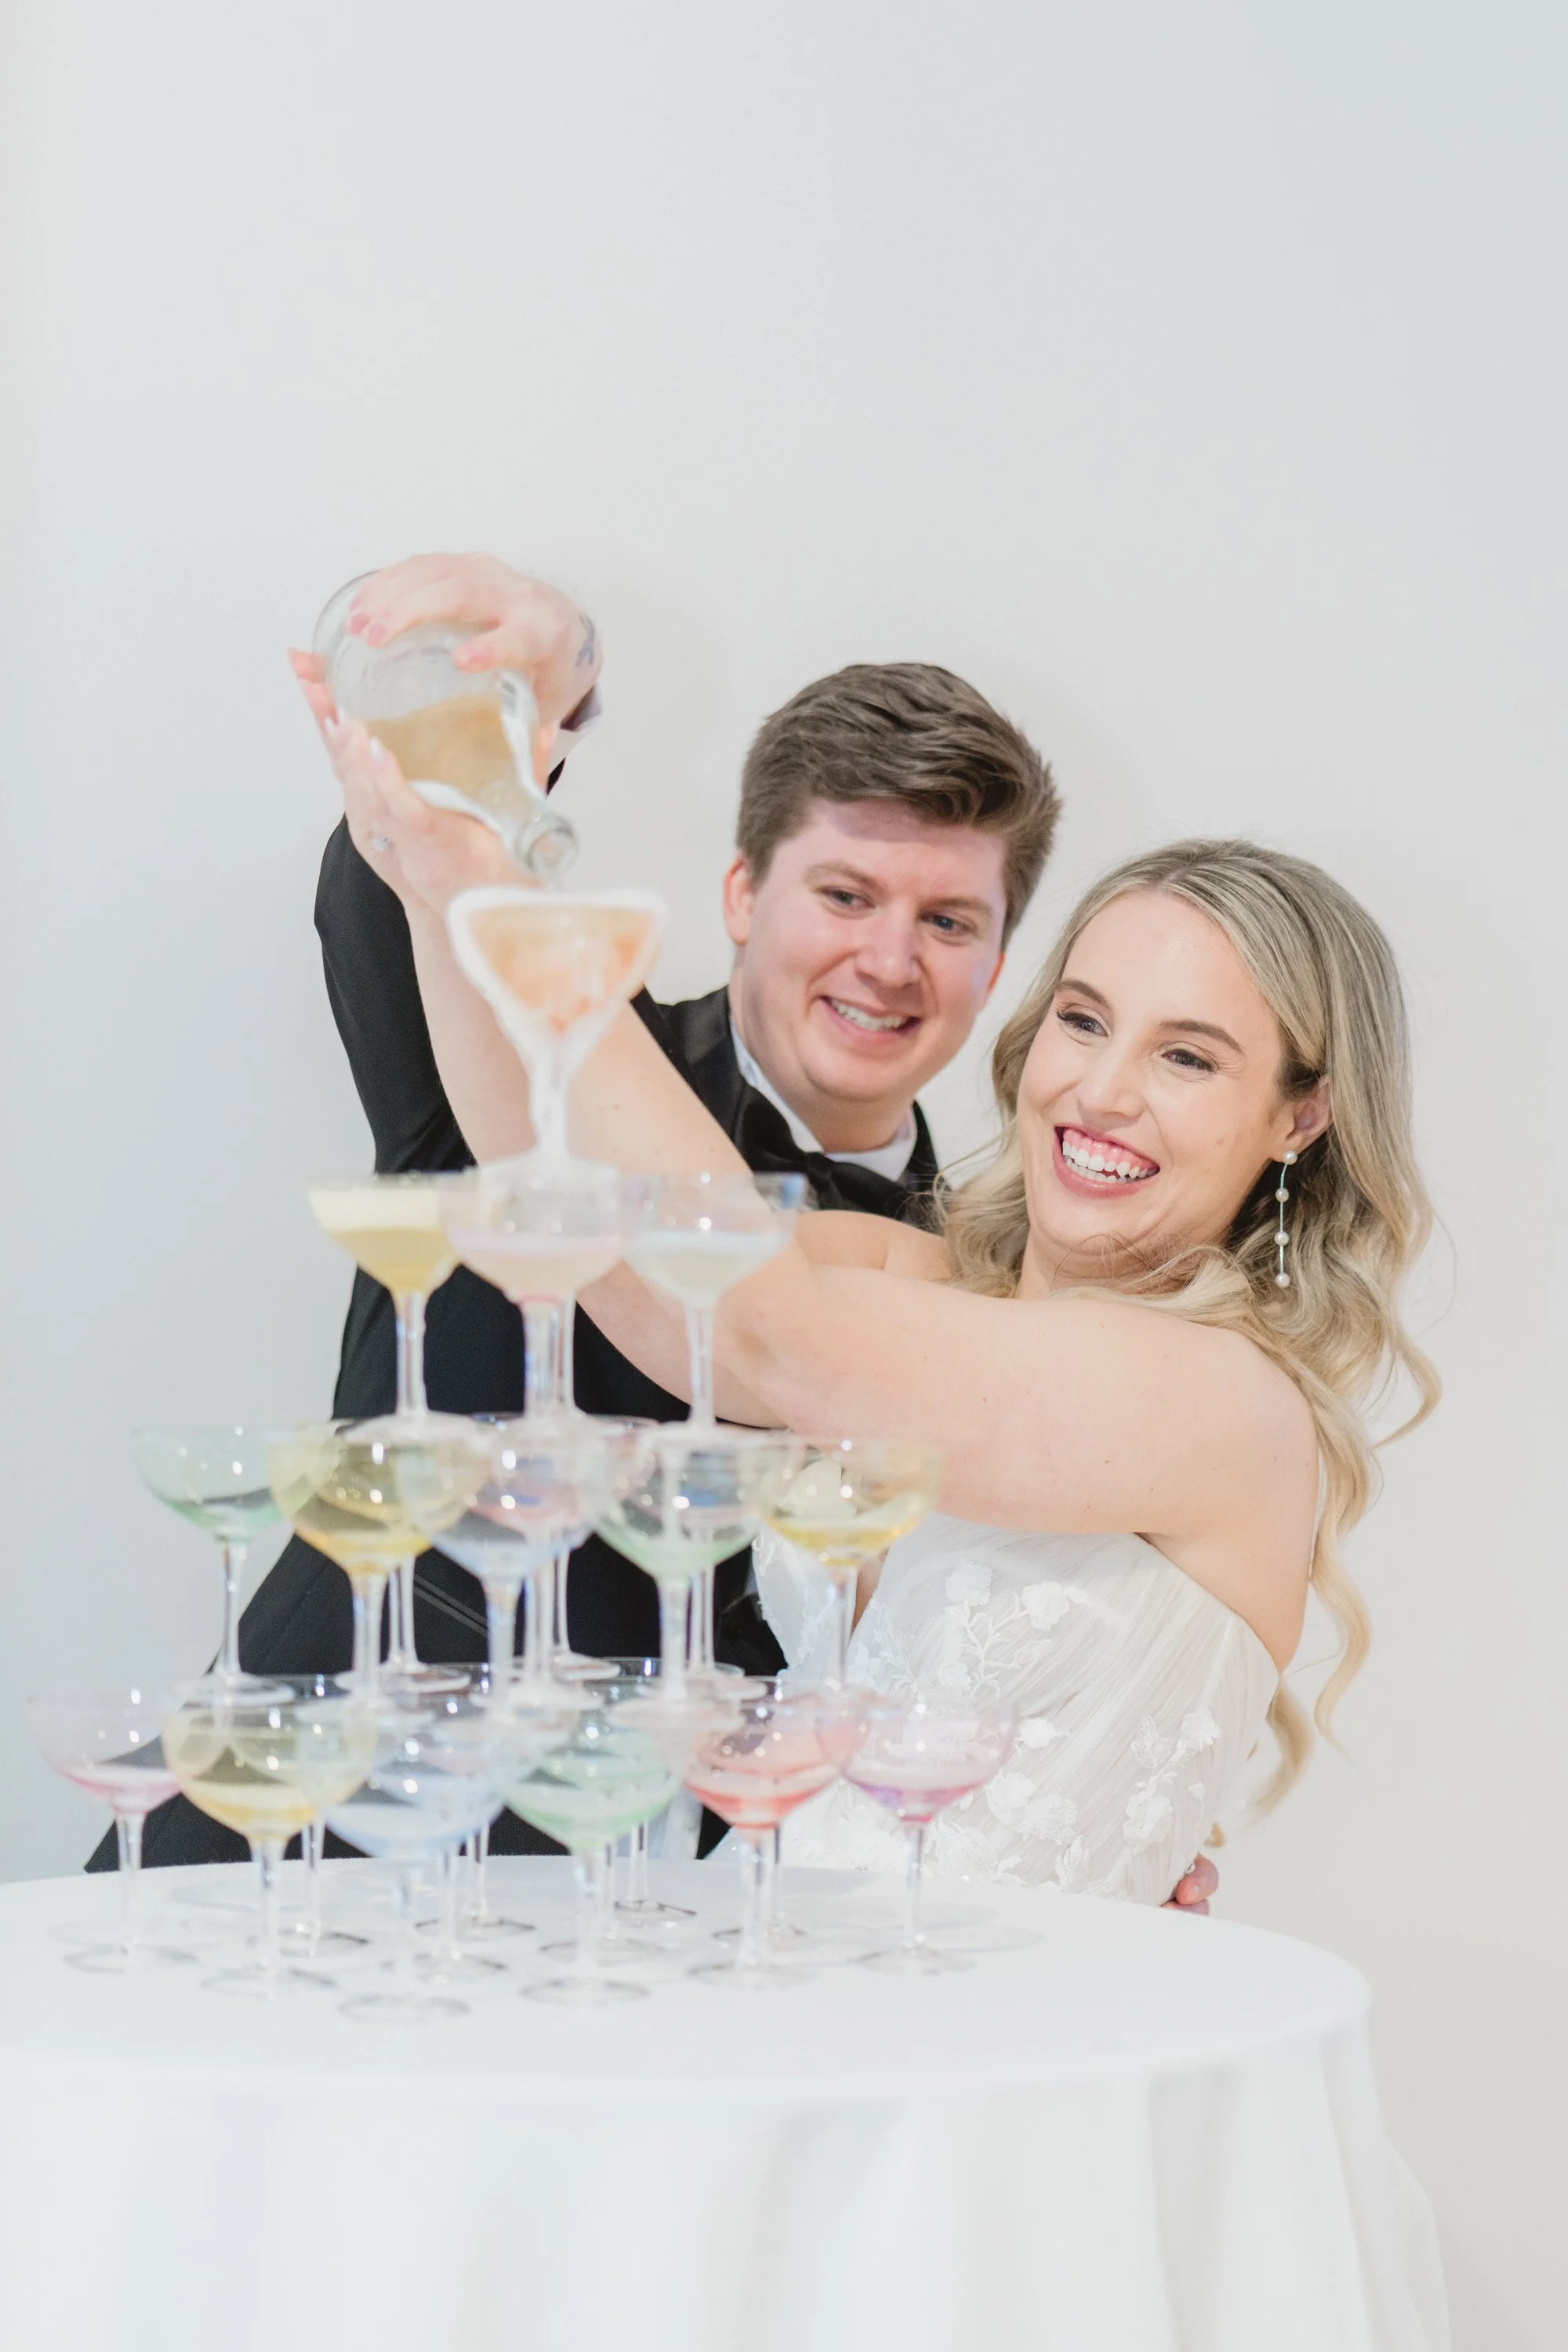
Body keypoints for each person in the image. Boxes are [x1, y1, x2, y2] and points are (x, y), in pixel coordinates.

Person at [324, 711, 1439, 1902]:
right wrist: (443, 882)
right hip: (753, 1969)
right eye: (1084, 1020)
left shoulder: (1220, 1397)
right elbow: (600, 1241)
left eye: (1189, 1057)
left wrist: (513, 911)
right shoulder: (916, 1276)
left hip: (992, 1997)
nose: (1103, 1091)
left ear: (1298, 1117)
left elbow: (772, 1329)